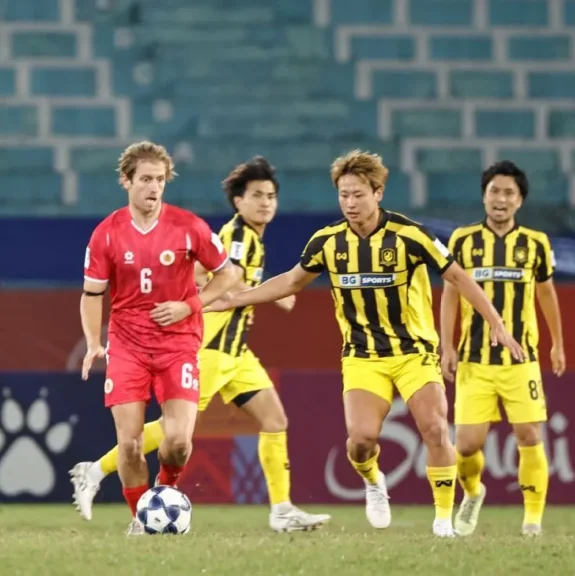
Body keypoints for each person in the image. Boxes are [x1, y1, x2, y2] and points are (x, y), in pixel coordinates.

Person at [208, 150, 525, 537]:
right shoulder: (328, 242)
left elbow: (459, 278)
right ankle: (375, 482)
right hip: (363, 357)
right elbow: (291, 281)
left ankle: (443, 519)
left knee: (436, 429)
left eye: (358, 194)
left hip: (414, 353)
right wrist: (233, 298)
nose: (350, 203)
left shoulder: (410, 235)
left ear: (378, 193)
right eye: (343, 195)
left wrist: (497, 323)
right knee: (360, 442)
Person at [71, 157, 330, 532]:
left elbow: (229, 276)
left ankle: (282, 509)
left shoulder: (252, 239)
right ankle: (95, 471)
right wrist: (263, 293)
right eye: (256, 196)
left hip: (237, 353)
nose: (266, 203)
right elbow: (206, 271)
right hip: (208, 346)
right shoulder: (236, 236)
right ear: (238, 202)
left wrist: (263, 291)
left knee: (274, 420)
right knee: (171, 434)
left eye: (271, 196)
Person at [79, 141, 240, 535]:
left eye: (160, 180)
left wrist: (191, 305)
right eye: (146, 179)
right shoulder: (107, 234)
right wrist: (93, 342)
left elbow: (229, 274)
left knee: (178, 444)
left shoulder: (188, 227)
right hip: (128, 346)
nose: (154, 187)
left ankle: (162, 496)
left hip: (178, 343)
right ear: (126, 181)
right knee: (130, 444)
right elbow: (92, 294)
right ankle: (141, 518)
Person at [440, 161, 565, 537]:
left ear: (520, 201)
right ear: (484, 196)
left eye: (509, 193)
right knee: (465, 445)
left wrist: (558, 342)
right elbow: (449, 294)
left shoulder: (536, 244)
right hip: (474, 360)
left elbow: (546, 294)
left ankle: (532, 520)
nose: (501, 199)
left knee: (529, 434)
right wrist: (446, 345)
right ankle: (474, 492)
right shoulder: (462, 240)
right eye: (494, 191)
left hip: (520, 359)